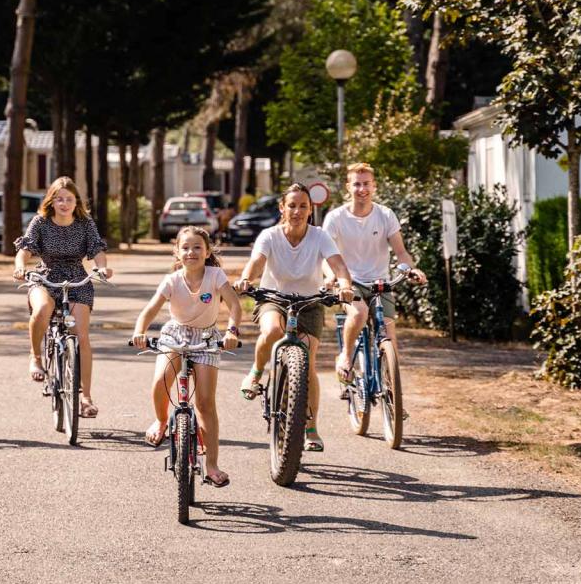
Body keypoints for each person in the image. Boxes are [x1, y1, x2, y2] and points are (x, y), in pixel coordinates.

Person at [233, 183, 354, 452]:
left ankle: (310, 427)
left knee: (307, 363)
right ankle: (255, 373)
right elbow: (256, 262)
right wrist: (245, 279)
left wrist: (345, 284)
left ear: (310, 210)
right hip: (274, 299)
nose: (297, 211)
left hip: (309, 303)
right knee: (273, 332)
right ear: (282, 208)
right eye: (292, 205)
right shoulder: (270, 235)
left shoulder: (320, 236)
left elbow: (338, 265)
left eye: (303, 206)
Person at [131, 226, 242, 487]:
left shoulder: (215, 276)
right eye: (185, 248)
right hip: (175, 334)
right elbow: (150, 309)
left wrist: (232, 332)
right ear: (176, 252)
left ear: (207, 252)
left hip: (206, 337)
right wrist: (140, 331)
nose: (191, 252)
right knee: (160, 382)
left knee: (205, 402)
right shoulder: (172, 280)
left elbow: (235, 305)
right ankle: (160, 421)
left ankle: (211, 464)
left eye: (197, 247)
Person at [13, 176, 112, 418]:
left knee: (83, 336)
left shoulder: (85, 224)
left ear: (76, 201)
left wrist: (102, 267)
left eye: (69, 199)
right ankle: (35, 356)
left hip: (77, 278)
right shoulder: (40, 222)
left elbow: (97, 250)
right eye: (60, 199)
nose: (65, 204)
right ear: (52, 201)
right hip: (45, 277)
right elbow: (24, 250)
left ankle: (86, 398)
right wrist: (19, 266)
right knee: (43, 309)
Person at [322, 162, 427, 383]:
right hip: (350, 283)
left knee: (390, 338)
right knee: (358, 314)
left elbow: (401, 252)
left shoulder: (386, 215)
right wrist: (333, 277)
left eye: (366, 184)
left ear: (374, 186)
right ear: (348, 187)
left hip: (381, 283)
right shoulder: (335, 217)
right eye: (357, 184)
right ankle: (346, 356)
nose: (362, 189)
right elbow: (325, 255)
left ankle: (393, 394)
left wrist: (411, 270)